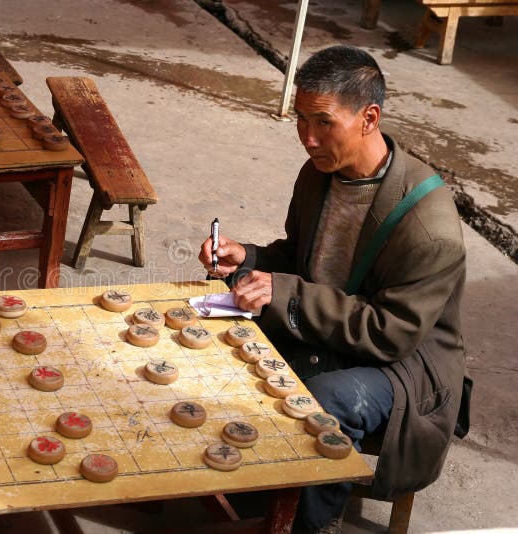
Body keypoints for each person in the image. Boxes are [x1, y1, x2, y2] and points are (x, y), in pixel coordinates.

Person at [199, 45, 470, 533]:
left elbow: (391, 333)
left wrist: (282, 292)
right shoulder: (319, 173)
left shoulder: (429, 227)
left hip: (402, 364)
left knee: (324, 403)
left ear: (369, 117)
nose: (308, 138)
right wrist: (251, 259)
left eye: (323, 122)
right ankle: (245, 483)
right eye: (301, 120)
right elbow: (303, 260)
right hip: (333, 328)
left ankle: (306, 523)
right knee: (214, 339)